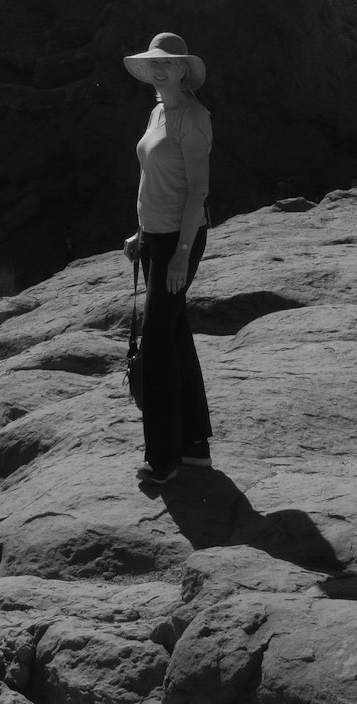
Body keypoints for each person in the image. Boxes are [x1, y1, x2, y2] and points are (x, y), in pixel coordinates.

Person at [122, 29, 213, 483]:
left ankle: (163, 458)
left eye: (167, 63)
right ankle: (195, 444)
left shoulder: (193, 119)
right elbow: (154, 179)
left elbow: (198, 191)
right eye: (153, 62)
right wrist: (141, 235)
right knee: (175, 336)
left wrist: (180, 255)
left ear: (183, 70)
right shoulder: (157, 112)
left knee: (156, 344)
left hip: (181, 240)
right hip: (154, 239)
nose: (158, 68)